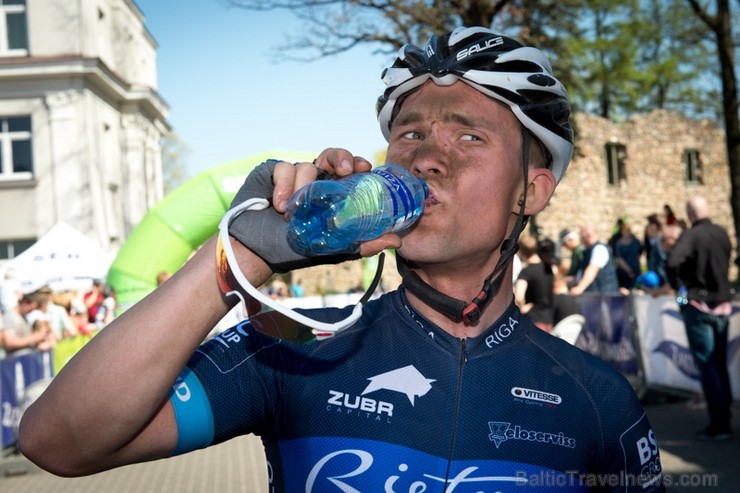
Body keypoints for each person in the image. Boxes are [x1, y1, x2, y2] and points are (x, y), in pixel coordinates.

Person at [19, 26, 665, 491]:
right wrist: (237, 253)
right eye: (409, 133)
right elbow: (56, 439)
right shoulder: (299, 350)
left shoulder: (598, 400)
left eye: (470, 135)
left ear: (533, 188)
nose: (426, 155)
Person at [666, 196, 733, 441]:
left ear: (690, 214)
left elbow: (672, 261)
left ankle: (719, 423)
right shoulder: (722, 233)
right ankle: (723, 417)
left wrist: (679, 285)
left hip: (699, 304)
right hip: (722, 304)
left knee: (708, 365)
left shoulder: (693, 235)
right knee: (718, 363)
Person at [513, 235, 554, 331]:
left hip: (532, 320)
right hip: (548, 320)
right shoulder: (549, 269)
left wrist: (522, 308)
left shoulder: (526, 272)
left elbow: (519, 297)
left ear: (521, 251)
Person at [569, 224, 620, 295]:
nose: (581, 240)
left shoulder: (599, 249)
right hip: (595, 298)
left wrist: (580, 288)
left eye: (582, 236)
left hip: (604, 298)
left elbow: (592, 269)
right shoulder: (587, 251)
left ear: (588, 235)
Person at [613, 219, 643, 290]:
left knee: (636, 288)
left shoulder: (636, 242)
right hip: (624, 272)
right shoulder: (619, 244)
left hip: (635, 269)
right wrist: (629, 270)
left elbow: (638, 255)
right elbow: (620, 259)